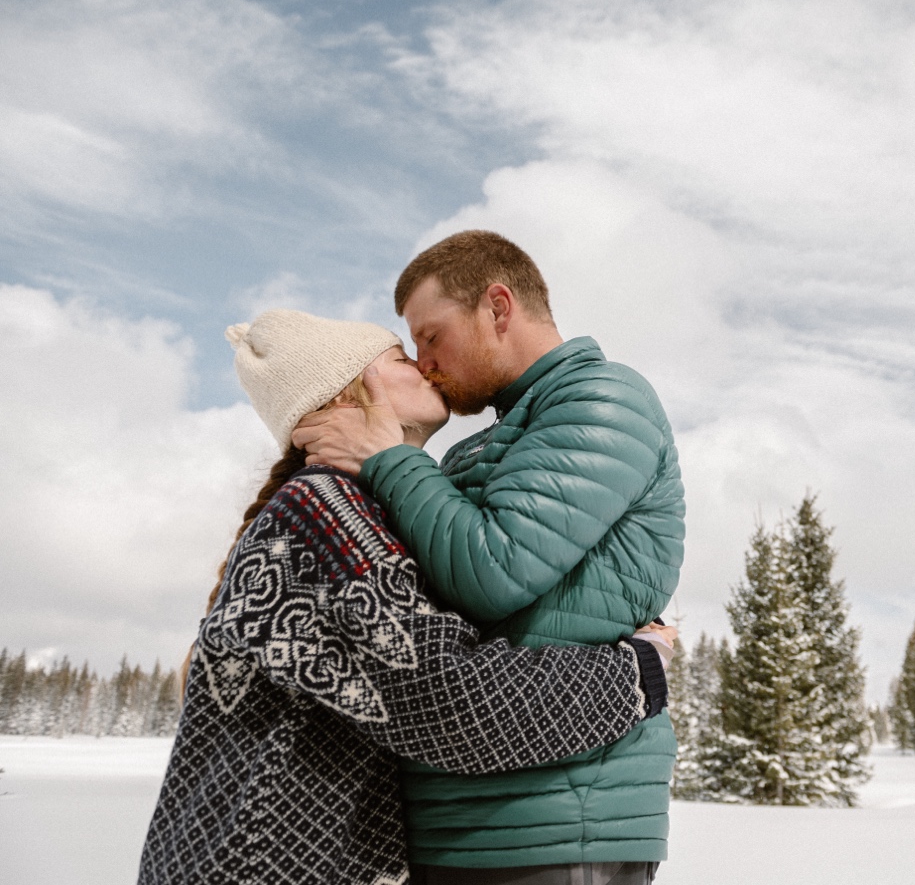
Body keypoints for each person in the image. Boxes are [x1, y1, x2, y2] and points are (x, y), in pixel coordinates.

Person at [139, 309, 674, 885]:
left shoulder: (355, 513)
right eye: (399, 358)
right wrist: (636, 672)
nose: (424, 366)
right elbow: (447, 701)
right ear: (344, 398)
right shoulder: (324, 516)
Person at [294, 230, 684, 884]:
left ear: (498, 308)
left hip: (556, 822)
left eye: (431, 335)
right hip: (456, 819)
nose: (424, 362)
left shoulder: (606, 398)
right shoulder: (474, 453)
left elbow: (495, 571)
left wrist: (391, 459)